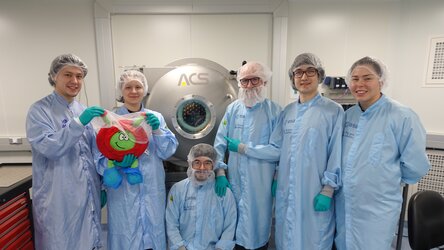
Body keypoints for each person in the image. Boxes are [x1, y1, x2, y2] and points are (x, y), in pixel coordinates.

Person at [334, 56, 430, 250]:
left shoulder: (402, 116)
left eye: (367, 78)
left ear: (381, 81)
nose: (360, 84)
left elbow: (416, 165)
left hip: (378, 208)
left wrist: (385, 180)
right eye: (355, 78)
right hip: (345, 204)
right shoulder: (348, 115)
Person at [259, 53, 343, 249]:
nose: (304, 77)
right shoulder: (287, 112)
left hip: (315, 188)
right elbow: (278, 149)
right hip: (286, 188)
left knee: (313, 238)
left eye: (310, 71)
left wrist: (328, 189)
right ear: (293, 79)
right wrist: (276, 177)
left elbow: (335, 152)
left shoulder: (333, 111)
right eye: (298, 73)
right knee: (285, 235)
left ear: (319, 75)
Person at [26, 53, 105, 250]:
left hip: (88, 193)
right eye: (68, 75)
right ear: (54, 76)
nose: (74, 81)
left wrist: (103, 184)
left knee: (90, 240)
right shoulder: (39, 111)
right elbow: (50, 147)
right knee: (61, 242)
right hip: (58, 196)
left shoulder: (82, 110)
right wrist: (78, 124)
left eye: (79, 76)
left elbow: (93, 152)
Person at [100, 69, 178, 250]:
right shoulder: (110, 119)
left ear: (144, 90)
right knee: (126, 235)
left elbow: (167, 151)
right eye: (128, 87)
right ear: (121, 91)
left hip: (151, 187)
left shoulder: (154, 117)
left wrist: (158, 130)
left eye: (138, 86)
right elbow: (99, 156)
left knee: (153, 232)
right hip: (123, 189)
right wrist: (114, 164)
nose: (133, 91)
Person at [213, 61, 282, 249]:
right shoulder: (233, 109)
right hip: (234, 182)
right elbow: (219, 143)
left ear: (265, 82)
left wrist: (245, 148)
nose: (250, 85)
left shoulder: (275, 111)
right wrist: (219, 172)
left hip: (261, 184)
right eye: (245, 81)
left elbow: (278, 150)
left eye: (255, 80)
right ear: (239, 84)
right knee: (232, 230)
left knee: (258, 232)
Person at [165, 143, 237, 250]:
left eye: (207, 163)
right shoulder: (178, 189)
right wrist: (180, 246)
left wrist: (221, 248)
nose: (202, 168)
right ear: (190, 163)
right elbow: (171, 222)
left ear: (214, 165)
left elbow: (230, 226)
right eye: (197, 162)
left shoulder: (224, 193)